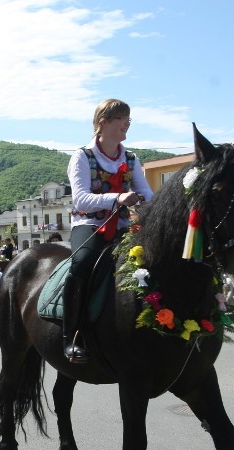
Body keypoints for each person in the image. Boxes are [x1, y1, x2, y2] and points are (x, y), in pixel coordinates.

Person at [64, 98, 154, 362]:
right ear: (103, 122)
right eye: (121, 119)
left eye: (129, 120)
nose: (127, 124)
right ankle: (71, 336)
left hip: (124, 226)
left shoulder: (131, 158)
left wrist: (158, 205)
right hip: (90, 225)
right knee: (82, 263)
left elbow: (146, 193)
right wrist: (116, 198)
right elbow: (80, 199)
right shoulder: (82, 156)